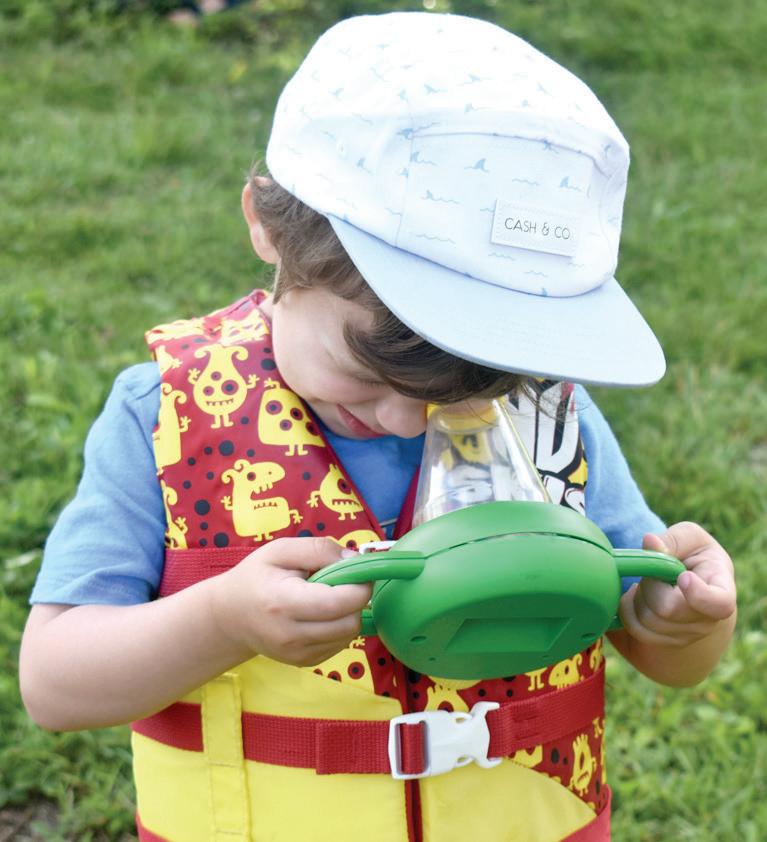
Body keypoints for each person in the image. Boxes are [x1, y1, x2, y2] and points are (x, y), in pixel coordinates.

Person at [19, 12, 736, 842]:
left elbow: (665, 654)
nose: (409, 415)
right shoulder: (167, 417)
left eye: (474, 385)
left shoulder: (545, 419)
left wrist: (684, 620)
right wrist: (218, 622)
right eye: (365, 371)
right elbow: (56, 686)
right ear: (267, 226)